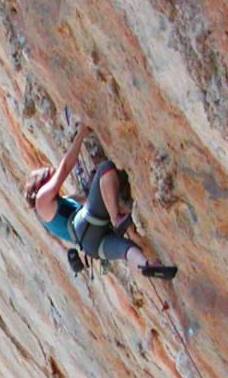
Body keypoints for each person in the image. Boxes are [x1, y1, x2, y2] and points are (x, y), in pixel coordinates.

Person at [23, 118, 177, 280]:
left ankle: (147, 266)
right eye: (48, 173)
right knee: (106, 169)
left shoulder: (57, 207)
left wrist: (92, 184)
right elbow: (66, 167)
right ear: (40, 184)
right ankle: (116, 218)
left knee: (126, 249)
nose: (52, 174)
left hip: (92, 245)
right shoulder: (41, 200)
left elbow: (87, 198)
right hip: (86, 225)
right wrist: (81, 135)